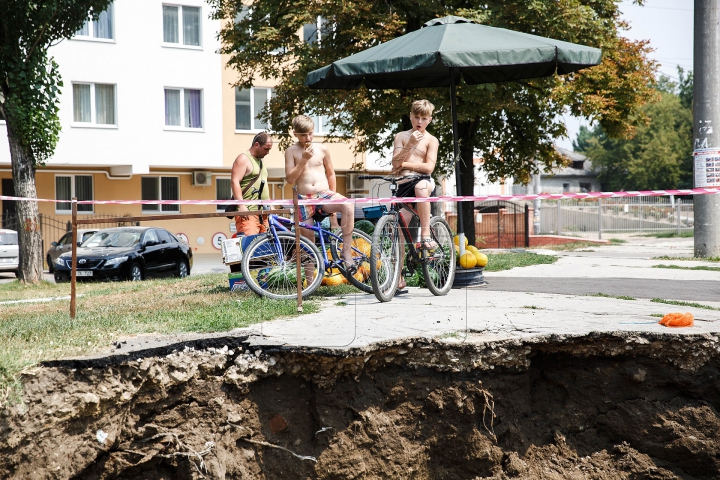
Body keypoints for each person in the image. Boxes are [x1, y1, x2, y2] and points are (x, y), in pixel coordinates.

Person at [285, 115, 356, 273]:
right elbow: (290, 179)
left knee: (348, 205)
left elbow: (331, 174)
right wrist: (303, 160)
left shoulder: (323, 149)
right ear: (295, 133)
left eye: (311, 133)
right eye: (303, 135)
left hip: (324, 194)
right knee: (308, 240)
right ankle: (310, 282)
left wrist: (333, 215)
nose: (308, 138)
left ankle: (346, 252)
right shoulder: (291, 151)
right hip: (304, 198)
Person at [391, 99, 439, 291]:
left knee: (420, 188)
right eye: (416, 117)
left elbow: (428, 167)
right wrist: (409, 144)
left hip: (423, 180)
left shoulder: (431, 140)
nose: (419, 121)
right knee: (399, 230)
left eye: (424, 118)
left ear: (430, 120)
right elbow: (394, 163)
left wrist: (405, 165)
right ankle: (399, 276)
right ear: (410, 116)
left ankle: (425, 234)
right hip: (403, 184)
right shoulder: (401, 137)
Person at [230, 132, 273, 237]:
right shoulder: (243, 158)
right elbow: (234, 182)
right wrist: (241, 205)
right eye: (266, 149)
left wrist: (270, 204)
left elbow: (263, 186)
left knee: (265, 249)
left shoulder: (261, 162)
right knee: (250, 246)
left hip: (263, 213)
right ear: (257, 145)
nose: (268, 153)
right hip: (248, 212)